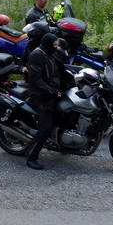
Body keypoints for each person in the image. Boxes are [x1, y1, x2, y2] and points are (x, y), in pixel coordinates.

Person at [24, 32, 69, 170]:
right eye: (54, 45)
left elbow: (60, 69)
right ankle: (31, 156)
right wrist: (52, 91)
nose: (56, 47)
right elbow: (35, 80)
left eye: (57, 45)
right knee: (45, 128)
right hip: (40, 95)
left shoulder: (51, 53)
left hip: (52, 93)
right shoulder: (37, 55)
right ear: (48, 44)